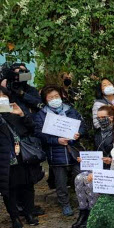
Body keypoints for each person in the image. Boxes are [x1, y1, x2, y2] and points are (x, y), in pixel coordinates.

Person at [35, 86, 87, 216]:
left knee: (81, 176)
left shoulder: (71, 110)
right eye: (50, 97)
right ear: (45, 100)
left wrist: (78, 134)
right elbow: (39, 134)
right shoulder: (41, 115)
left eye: (56, 96)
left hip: (74, 151)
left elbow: (82, 126)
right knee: (60, 182)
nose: (54, 99)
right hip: (56, 152)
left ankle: (85, 203)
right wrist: (56, 141)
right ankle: (65, 204)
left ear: (61, 96)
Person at [0, 86, 40, 228]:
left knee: (27, 185)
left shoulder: (14, 110)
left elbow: (32, 128)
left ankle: (29, 213)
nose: (1, 98)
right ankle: (15, 217)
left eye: (3, 95)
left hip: (23, 155)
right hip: (5, 157)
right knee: (9, 189)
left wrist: (22, 114)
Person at [72, 105, 114, 228]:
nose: (101, 120)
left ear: (111, 117)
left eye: (104, 117)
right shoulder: (97, 133)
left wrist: (112, 160)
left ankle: (94, 212)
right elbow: (95, 152)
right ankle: (83, 212)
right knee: (79, 178)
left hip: (112, 168)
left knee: (91, 181)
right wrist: (85, 159)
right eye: (98, 117)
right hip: (99, 166)